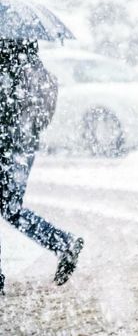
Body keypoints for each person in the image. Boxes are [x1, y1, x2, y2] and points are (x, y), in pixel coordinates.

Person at [0, 38, 84, 293]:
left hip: (6, 144)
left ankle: (62, 243)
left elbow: (7, 110)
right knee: (10, 207)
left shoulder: (8, 70)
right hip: (23, 148)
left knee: (9, 207)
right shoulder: (39, 72)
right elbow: (42, 116)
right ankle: (62, 243)